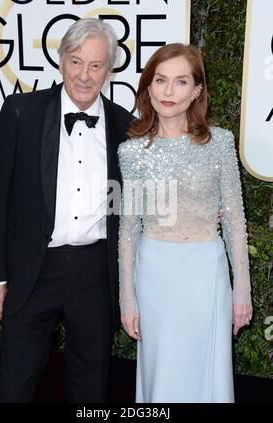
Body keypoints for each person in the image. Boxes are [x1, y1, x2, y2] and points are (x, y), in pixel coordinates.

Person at [0, 18, 133, 402]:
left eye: (96, 65)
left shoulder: (124, 125)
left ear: (108, 70)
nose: (84, 74)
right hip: (32, 267)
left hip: (95, 272)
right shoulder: (20, 112)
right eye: (76, 61)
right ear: (61, 61)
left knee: (89, 387)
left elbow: (131, 206)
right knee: (14, 386)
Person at [118, 43, 253, 403]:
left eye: (180, 82)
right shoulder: (131, 151)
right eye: (160, 80)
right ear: (148, 87)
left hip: (205, 273)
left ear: (196, 91)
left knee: (205, 372)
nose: (168, 91)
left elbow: (235, 221)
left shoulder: (219, 142)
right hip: (154, 275)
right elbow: (129, 229)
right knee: (162, 371)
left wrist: (243, 291)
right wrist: (127, 297)